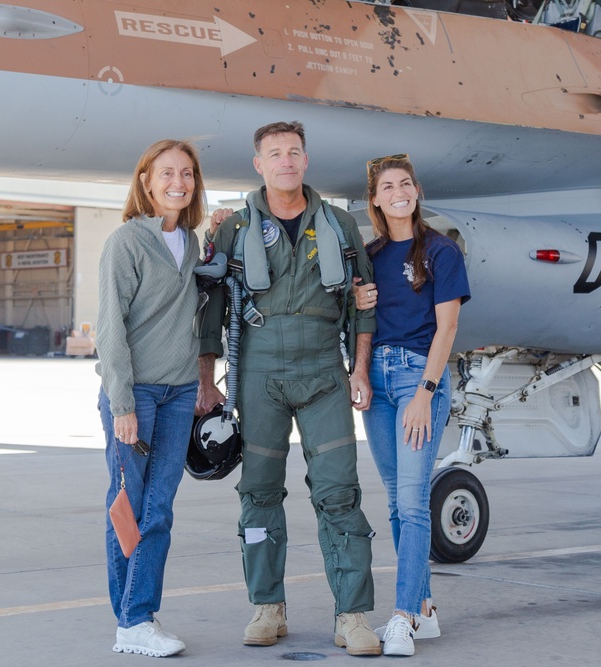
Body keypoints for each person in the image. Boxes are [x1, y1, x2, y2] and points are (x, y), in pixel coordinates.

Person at [196, 121, 382, 656]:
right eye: (274, 153)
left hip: (325, 372)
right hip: (258, 373)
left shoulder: (341, 227)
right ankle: (267, 606)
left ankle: (352, 615)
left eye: (294, 152)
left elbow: (362, 308)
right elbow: (210, 311)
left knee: (339, 494)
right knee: (258, 493)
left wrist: (360, 370)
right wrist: (208, 382)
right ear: (258, 164)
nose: (285, 161)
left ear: (305, 159)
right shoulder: (231, 230)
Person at [352, 154, 470, 657]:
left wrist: (425, 391)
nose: (398, 191)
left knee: (413, 501)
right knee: (398, 501)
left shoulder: (441, 252)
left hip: (418, 378)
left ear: (416, 190)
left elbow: (448, 328)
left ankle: (401, 618)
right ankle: (422, 609)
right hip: (377, 380)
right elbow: (361, 323)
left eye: (406, 183)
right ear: (375, 199)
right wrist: (359, 364)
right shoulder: (371, 253)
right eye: (388, 186)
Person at [96, 139, 207, 658]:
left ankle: (138, 616)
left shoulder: (193, 242)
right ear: (146, 181)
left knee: (159, 509)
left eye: (186, 173)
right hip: (135, 395)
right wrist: (121, 405)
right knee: (129, 506)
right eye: (167, 173)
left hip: (180, 393)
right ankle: (133, 620)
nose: (177, 182)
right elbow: (110, 329)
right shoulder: (126, 242)